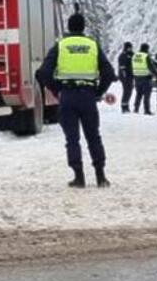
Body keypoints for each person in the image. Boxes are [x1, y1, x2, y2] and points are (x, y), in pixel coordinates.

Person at [35, 12, 116, 188]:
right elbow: (109, 73)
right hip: (88, 96)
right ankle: (101, 176)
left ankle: (79, 177)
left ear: (69, 27)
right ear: (83, 27)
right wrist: (98, 92)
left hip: (68, 97)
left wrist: (56, 90)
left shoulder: (61, 46)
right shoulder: (92, 46)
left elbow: (42, 73)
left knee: (72, 139)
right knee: (93, 136)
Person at [132, 43, 154, 115]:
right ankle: (147, 110)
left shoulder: (135, 55)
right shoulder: (145, 56)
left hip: (136, 77)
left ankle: (136, 108)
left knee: (138, 94)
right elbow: (151, 66)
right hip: (145, 77)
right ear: (146, 49)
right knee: (147, 95)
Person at [117, 41, 134, 113]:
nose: (130, 49)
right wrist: (124, 75)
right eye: (129, 48)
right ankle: (124, 106)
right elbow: (122, 67)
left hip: (130, 75)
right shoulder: (123, 55)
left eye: (131, 47)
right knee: (126, 91)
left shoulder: (132, 54)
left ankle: (127, 104)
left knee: (130, 90)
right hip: (125, 76)